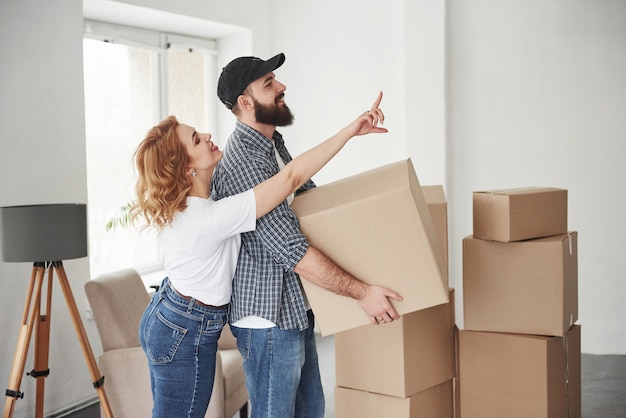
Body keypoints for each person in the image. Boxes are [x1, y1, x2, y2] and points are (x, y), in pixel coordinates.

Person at [131, 92, 389, 417]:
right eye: (196, 140)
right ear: (186, 169)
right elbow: (290, 178)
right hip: (184, 327)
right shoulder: (211, 218)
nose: (209, 135)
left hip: (172, 312)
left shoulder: (194, 205)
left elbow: (292, 178)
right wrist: (350, 131)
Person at [212, 52, 403, 418]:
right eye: (269, 83)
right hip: (267, 320)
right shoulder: (245, 162)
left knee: (311, 410)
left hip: (293, 309)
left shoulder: (271, 144)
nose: (282, 87)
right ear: (246, 102)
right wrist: (362, 292)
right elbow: (292, 248)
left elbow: (311, 201)